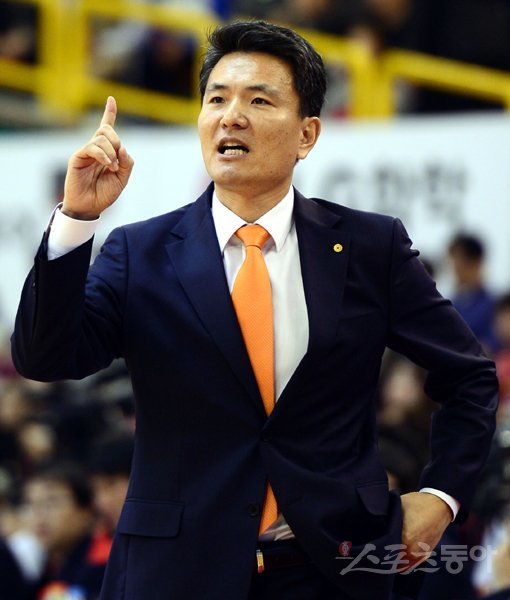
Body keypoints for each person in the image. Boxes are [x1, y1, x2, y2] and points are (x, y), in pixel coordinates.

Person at [11, 20, 498, 600]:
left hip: (332, 570)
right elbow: (44, 358)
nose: (231, 117)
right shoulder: (139, 252)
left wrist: (441, 498)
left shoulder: (370, 247)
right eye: (217, 99)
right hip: (176, 572)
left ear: (307, 134)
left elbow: (469, 376)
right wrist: (76, 220)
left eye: (258, 100)